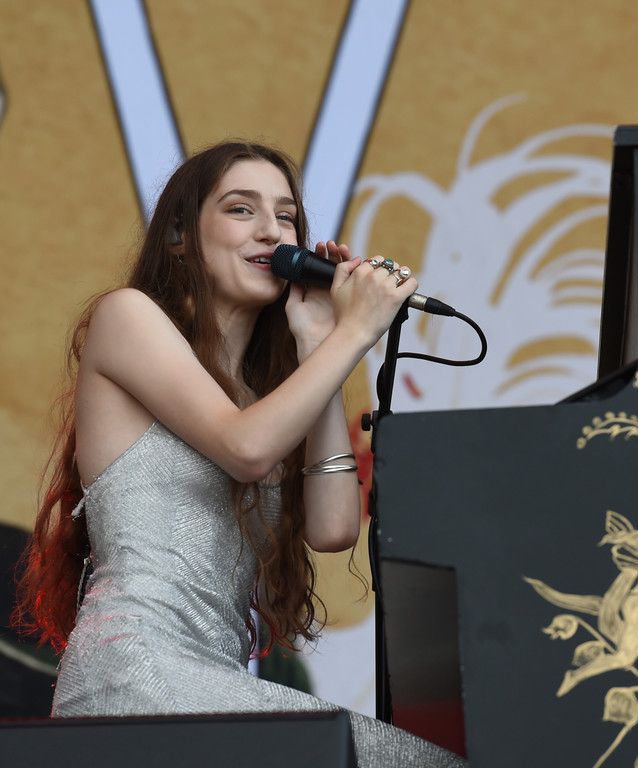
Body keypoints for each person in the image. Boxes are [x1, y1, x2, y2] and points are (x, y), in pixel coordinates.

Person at [14, 141, 466, 767]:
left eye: (286, 216)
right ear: (179, 235)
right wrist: (359, 332)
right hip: (136, 673)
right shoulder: (128, 317)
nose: (271, 231)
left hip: (211, 682)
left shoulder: (266, 398)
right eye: (240, 209)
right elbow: (245, 449)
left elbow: (334, 528)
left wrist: (320, 346)